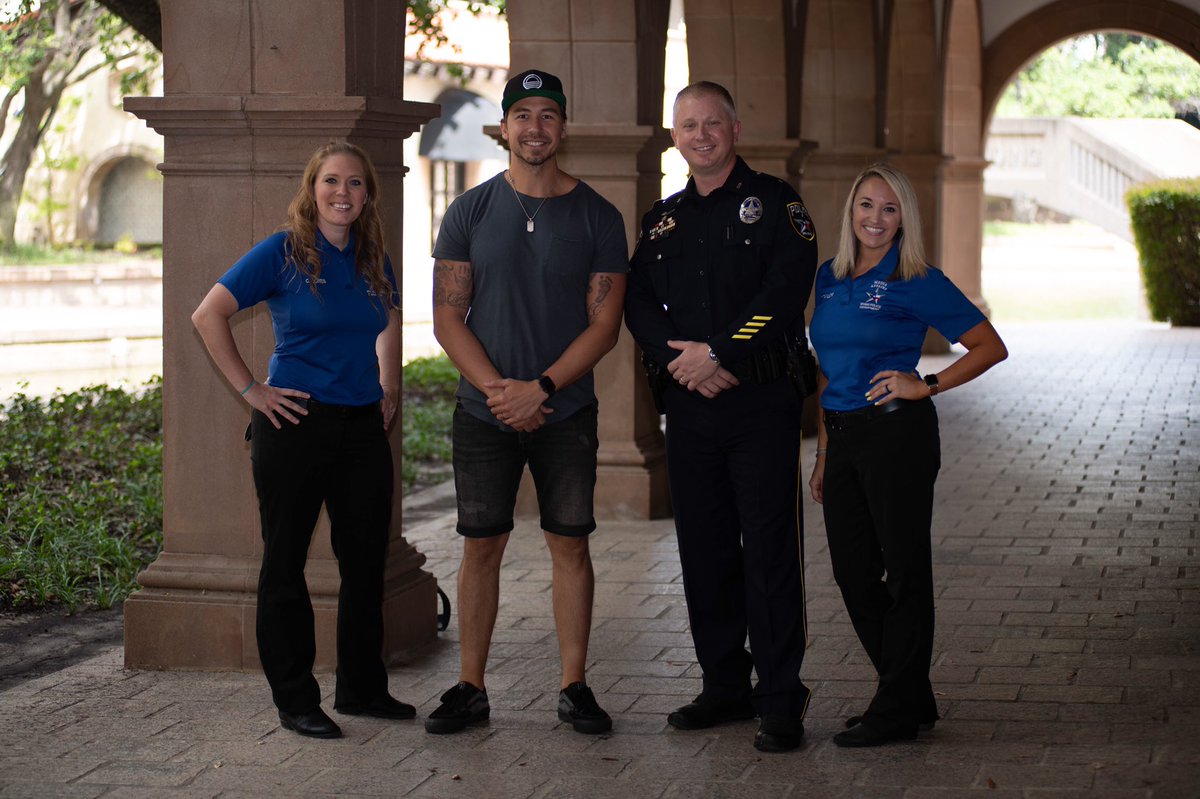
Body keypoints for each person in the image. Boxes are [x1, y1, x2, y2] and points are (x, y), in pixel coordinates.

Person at [426, 69, 628, 736]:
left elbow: (604, 325)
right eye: (523, 114)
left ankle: (574, 684)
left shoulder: (600, 215)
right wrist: (500, 392)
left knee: (569, 544)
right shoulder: (469, 211)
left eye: (548, 114)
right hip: (483, 413)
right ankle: (469, 686)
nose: (535, 126)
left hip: (564, 413)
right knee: (481, 546)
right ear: (503, 127)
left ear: (563, 128)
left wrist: (539, 389)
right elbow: (448, 317)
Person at [191, 141, 413, 740]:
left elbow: (389, 316)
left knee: (365, 562)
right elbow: (208, 314)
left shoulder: (373, 258)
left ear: (368, 195)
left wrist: (389, 381)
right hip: (294, 424)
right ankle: (295, 700)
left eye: (356, 184)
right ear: (312, 189)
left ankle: (363, 689)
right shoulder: (283, 252)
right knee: (285, 563)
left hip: (363, 425)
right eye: (332, 181)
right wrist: (251, 391)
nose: (344, 193)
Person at [624, 81, 818, 753]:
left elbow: (787, 291)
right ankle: (723, 685)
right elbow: (638, 302)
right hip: (691, 407)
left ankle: (781, 696)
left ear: (735, 128)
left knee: (769, 551)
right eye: (687, 124)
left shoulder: (776, 205)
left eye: (712, 122)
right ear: (675, 134)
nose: (700, 134)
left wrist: (720, 352)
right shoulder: (661, 220)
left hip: (761, 402)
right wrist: (680, 363)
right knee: (703, 550)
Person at [808, 163, 1008, 747]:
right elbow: (826, 370)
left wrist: (927, 383)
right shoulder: (829, 276)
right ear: (851, 211)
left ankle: (897, 703)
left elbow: (989, 345)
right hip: (842, 435)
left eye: (889, 209)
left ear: (904, 219)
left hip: (897, 435)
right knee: (851, 572)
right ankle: (910, 694)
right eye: (866, 205)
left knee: (905, 572)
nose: (875, 218)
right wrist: (822, 452)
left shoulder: (916, 277)